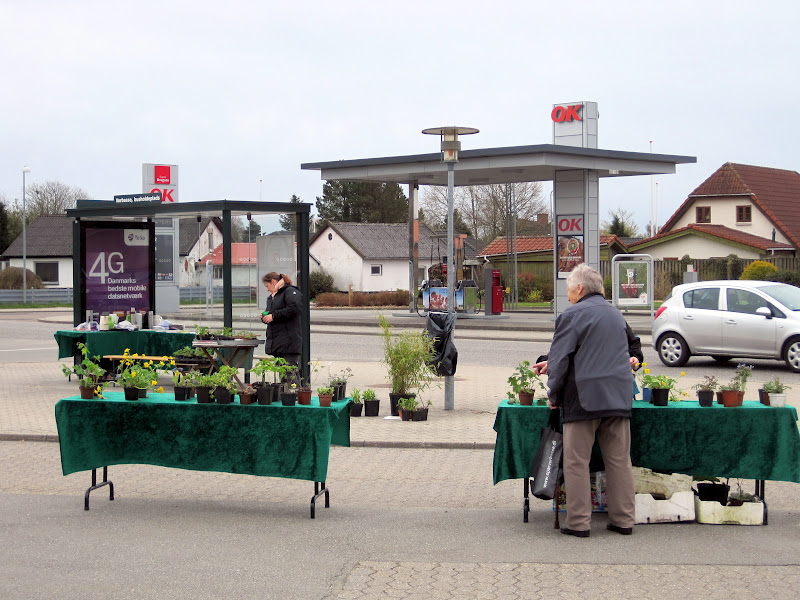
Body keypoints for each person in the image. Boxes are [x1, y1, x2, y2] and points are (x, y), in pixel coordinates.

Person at [535, 263, 635, 538]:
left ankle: (579, 523)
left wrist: (553, 396)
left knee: (576, 462)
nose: (567, 295)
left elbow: (559, 360)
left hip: (584, 398)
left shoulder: (572, 315)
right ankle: (624, 520)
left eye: (569, 289)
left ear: (579, 288)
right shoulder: (616, 314)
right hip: (618, 398)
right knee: (619, 461)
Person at [261, 272, 303, 385]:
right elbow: (271, 313)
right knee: (285, 373)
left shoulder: (290, 292)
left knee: (289, 372)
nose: (267, 289)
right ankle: (293, 393)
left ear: (273, 282)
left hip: (289, 340)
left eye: (267, 286)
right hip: (278, 341)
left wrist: (273, 316)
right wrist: (265, 316)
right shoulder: (272, 297)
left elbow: (294, 308)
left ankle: (295, 393)